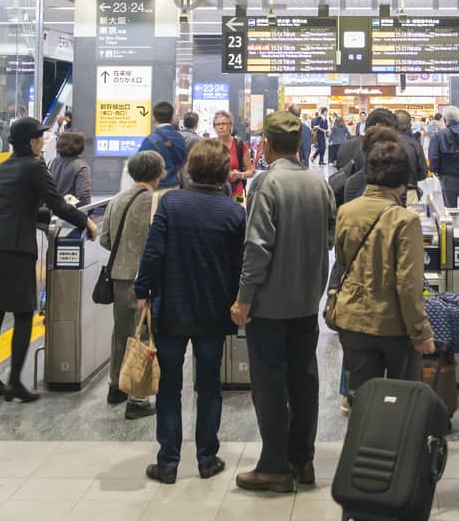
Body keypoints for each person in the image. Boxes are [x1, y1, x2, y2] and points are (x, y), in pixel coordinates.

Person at [231, 112, 337, 493]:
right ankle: (302, 460)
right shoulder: (318, 183)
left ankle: (274, 466)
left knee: (270, 384)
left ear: (267, 145)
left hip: (270, 306)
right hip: (307, 301)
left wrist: (243, 300)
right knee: (304, 378)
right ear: (300, 146)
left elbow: (257, 248)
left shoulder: (266, 183)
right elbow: (329, 236)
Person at [134, 139, 246, 485]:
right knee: (209, 385)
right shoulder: (234, 212)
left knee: (169, 385)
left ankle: (168, 462)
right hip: (214, 312)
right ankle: (207, 458)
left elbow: (153, 253)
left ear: (190, 169)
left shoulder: (171, 203)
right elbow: (239, 266)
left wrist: (143, 292)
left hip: (172, 309)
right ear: (224, 172)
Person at [0, 117, 95, 404]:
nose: (44, 142)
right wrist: (86, 221)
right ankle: (16, 381)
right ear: (32, 142)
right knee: (23, 313)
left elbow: (16, 205)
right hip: (17, 247)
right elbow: (56, 203)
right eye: (41, 138)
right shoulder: (35, 166)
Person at [328, 130, 435, 396]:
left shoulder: (346, 212)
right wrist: (421, 332)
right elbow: (408, 284)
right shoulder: (405, 220)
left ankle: (362, 437)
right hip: (393, 324)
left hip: (352, 320)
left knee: (361, 398)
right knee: (399, 400)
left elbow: (341, 261)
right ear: (402, 178)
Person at [100, 150, 165, 418]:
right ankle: (138, 399)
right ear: (158, 174)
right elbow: (160, 243)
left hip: (118, 276)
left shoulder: (116, 200)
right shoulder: (154, 202)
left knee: (122, 333)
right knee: (145, 336)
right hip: (144, 280)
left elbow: (105, 240)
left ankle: (116, 386)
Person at [428, 104, 459, 210]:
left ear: (445, 119)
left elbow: (433, 157)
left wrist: (436, 172)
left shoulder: (438, 136)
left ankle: (451, 225)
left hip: (447, 177)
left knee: (450, 209)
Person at [139, 101, 189, 189]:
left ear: (154, 118)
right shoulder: (179, 137)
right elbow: (182, 160)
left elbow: (140, 162)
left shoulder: (151, 139)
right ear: (172, 117)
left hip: (156, 186)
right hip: (174, 184)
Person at [214, 110, 256, 197]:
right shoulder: (209, 145)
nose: (221, 127)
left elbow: (251, 172)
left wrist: (240, 175)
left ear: (230, 126)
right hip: (214, 192)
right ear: (214, 127)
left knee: (236, 210)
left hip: (236, 193)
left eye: (224, 124)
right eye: (218, 124)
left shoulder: (240, 145)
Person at [47, 131, 92, 206]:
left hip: (52, 211)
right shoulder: (81, 167)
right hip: (70, 213)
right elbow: (84, 199)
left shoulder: (53, 162)